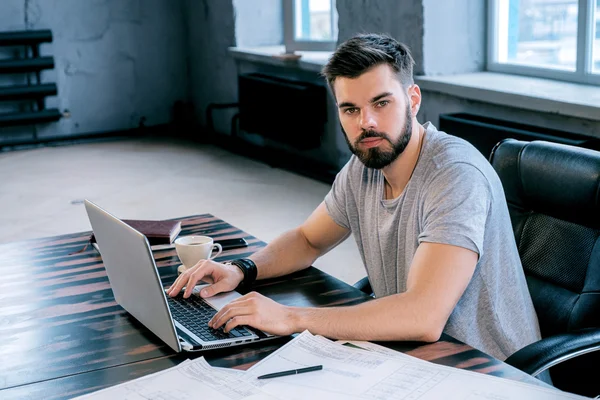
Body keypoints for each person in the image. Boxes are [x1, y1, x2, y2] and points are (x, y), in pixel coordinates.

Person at [167, 33, 542, 362]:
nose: (367, 123)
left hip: (484, 370)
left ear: (413, 99)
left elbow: (423, 316)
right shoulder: (365, 165)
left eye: (382, 103)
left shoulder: (455, 175)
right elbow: (308, 239)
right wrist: (241, 269)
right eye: (351, 109)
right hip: (406, 354)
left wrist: (291, 317)